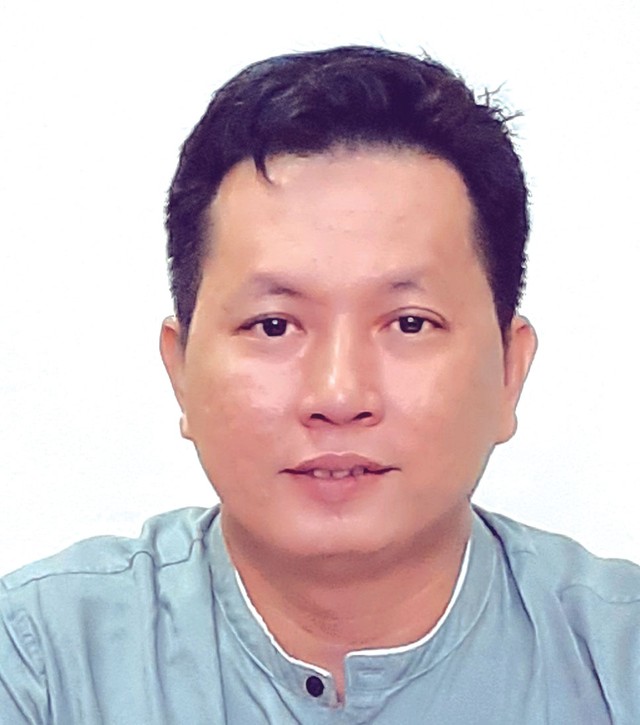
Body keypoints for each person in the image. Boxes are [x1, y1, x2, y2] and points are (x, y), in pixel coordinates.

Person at [1, 45, 638, 724]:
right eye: (274, 325)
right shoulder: (40, 664)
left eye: (410, 323)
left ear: (509, 371)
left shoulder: (619, 660)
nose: (338, 395)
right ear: (181, 370)